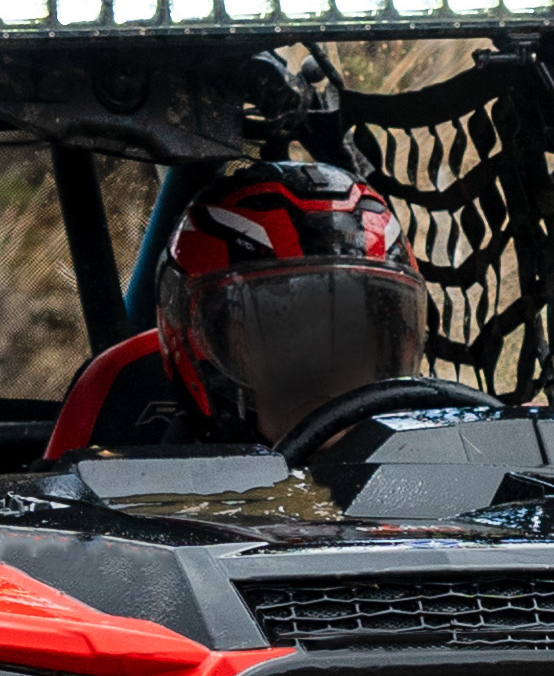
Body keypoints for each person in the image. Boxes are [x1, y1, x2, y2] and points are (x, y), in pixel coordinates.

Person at [46, 158, 435, 456]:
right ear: (204, 347)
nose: (326, 363)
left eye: (355, 332)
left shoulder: (444, 460)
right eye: (285, 328)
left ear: (395, 346)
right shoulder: (142, 489)